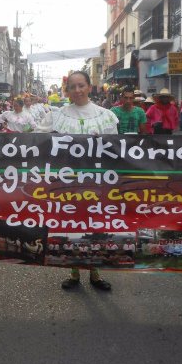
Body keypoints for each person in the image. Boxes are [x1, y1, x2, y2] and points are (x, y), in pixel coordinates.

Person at [37, 71, 119, 291]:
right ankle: (73, 271)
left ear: (89, 87)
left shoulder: (106, 116)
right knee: (70, 225)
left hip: (97, 183)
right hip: (66, 185)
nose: (77, 90)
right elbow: (36, 140)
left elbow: (116, 150)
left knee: (96, 226)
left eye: (81, 85)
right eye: (72, 87)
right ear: (68, 90)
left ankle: (95, 272)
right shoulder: (57, 115)